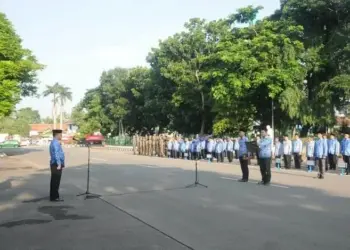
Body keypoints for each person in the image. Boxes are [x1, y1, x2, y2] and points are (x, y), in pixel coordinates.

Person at [49, 129, 65, 202]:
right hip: (56, 164)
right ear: (57, 135)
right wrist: (59, 164)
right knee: (56, 181)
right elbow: (56, 154)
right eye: (60, 135)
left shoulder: (54, 142)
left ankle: (54, 196)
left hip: (55, 163)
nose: (61, 136)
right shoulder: (55, 143)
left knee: (54, 181)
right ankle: (55, 197)